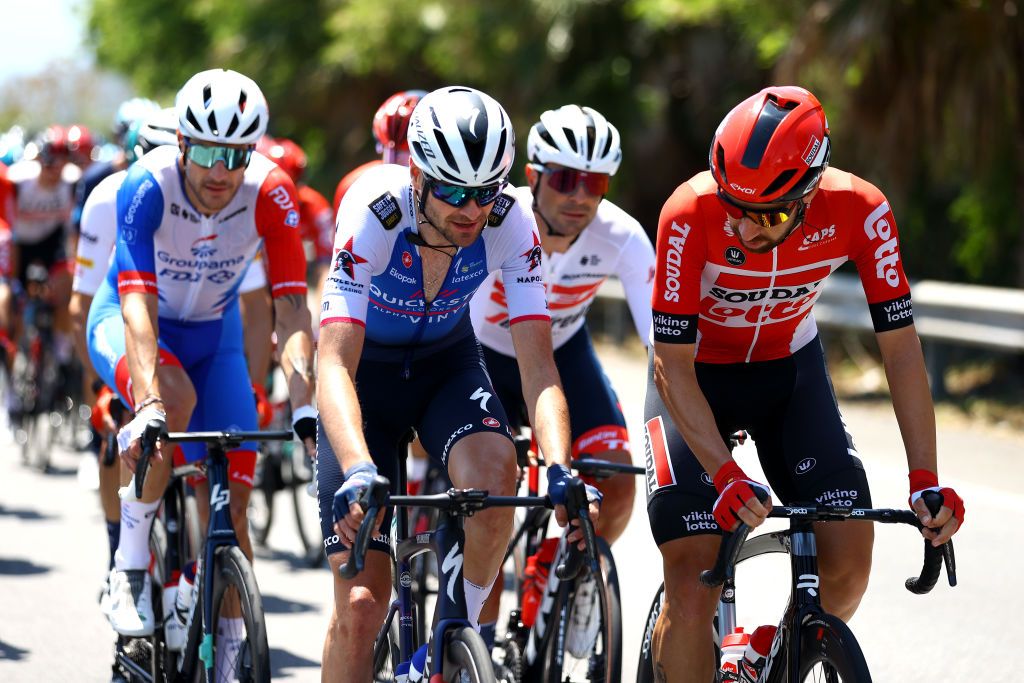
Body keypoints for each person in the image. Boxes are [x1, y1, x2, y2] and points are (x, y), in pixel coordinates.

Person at [643, 85, 966, 683]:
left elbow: (899, 348)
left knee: (847, 560)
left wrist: (925, 479)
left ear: (810, 190)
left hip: (787, 376)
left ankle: (775, 655)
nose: (739, 227)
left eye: (763, 214)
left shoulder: (862, 209)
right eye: (731, 203)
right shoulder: (687, 213)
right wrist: (723, 473)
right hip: (695, 381)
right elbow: (671, 363)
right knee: (692, 582)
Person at [316, 85, 599, 682]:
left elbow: (539, 366)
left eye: (484, 193)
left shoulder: (510, 219)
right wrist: (358, 466)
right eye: (451, 192)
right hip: (364, 382)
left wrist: (559, 467)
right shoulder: (375, 210)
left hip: (447, 366)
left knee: (499, 478)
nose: (470, 210)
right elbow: (334, 364)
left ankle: (447, 647)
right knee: (361, 612)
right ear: (416, 173)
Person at [87, 70, 317, 670]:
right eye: (208, 152)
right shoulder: (147, 185)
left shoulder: (271, 193)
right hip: (131, 322)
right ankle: (131, 564)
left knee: (234, 498)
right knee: (174, 401)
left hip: (215, 340)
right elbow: (137, 303)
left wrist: (305, 405)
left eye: (236, 155)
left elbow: (291, 309)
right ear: (182, 144)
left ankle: (228, 642)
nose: (220, 172)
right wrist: (148, 402)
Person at [469, 103, 653, 649]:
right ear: (533, 177)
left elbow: (661, 348)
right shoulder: (497, 219)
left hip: (563, 354)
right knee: (489, 498)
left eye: (594, 183)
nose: (579, 196)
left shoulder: (622, 235)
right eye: (566, 179)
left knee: (617, 481)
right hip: (484, 356)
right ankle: (476, 636)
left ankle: (564, 569)